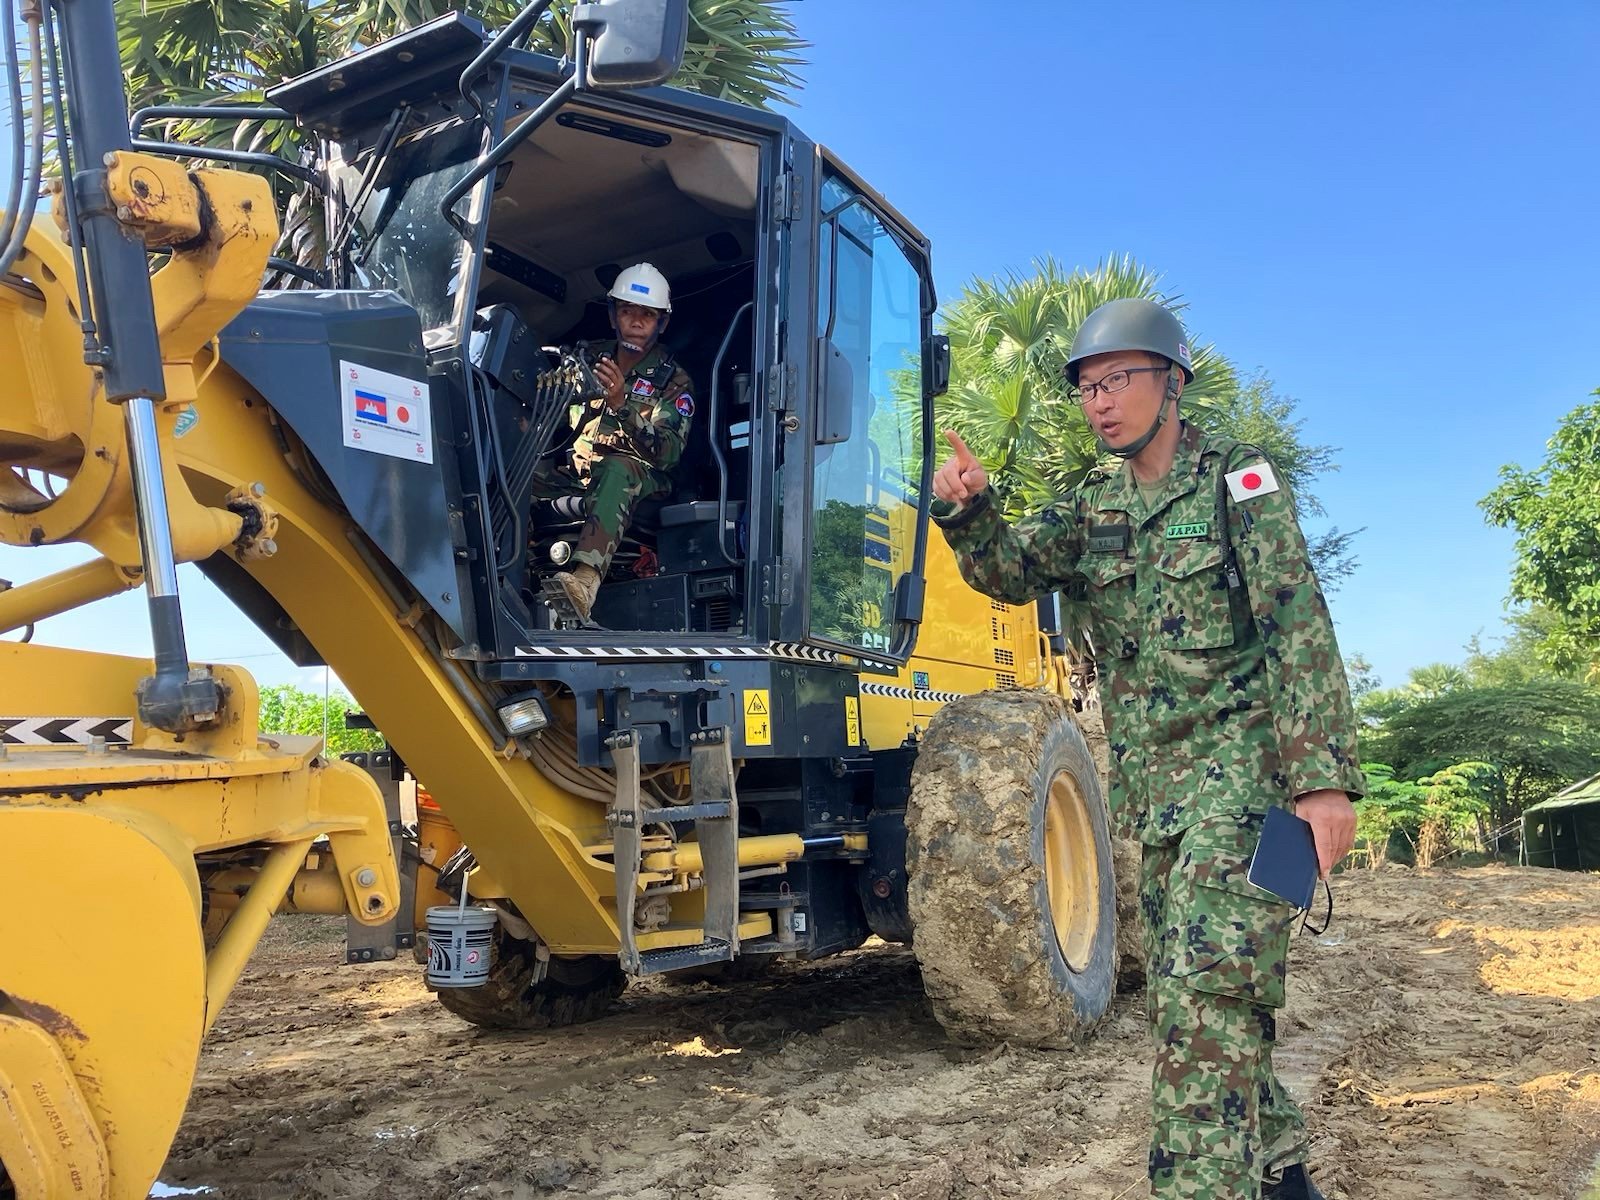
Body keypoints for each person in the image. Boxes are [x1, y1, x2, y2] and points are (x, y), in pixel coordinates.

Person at [932, 298, 1363, 1200]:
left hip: (1248, 795)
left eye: (1118, 378)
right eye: (1088, 385)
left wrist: (1324, 782)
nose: (1100, 400)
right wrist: (972, 515)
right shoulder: (1090, 509)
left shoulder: (1235, 482)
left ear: (1171, 382)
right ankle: (1282, 1177)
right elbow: (1011, 573)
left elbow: (1297, 622)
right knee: (1200, 1004)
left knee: (1206, 1007)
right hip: (1156, 810)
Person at [539, 263, 695, 621]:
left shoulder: (674, 380)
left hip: (644, 478)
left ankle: (583, 583)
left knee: (617, 467)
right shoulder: (588, 360)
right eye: (627, 311)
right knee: (518, 479)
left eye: (648, 314)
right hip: (581, 474)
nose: (636, 321)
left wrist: (622, 406)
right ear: (613, 316)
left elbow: (669, 453)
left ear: (662, 323)